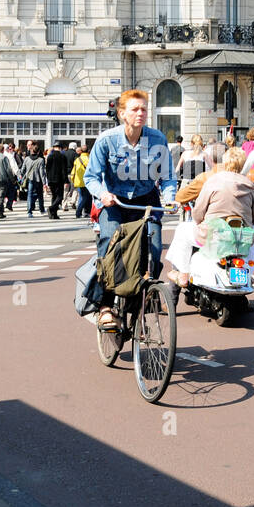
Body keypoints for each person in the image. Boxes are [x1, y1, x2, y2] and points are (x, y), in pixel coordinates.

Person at [84, 89, 175, 329]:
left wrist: (169, 198)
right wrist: (103, 194)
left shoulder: (157, 139)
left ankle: (143, 299)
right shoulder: (107, 140)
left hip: (147, 200)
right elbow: (90, 177)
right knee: (109, 244)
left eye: (144, 109)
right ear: (122, 113)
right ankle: (104, 306)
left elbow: (167, 176)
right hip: (115, 201)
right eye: (135, 109)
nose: (141, 113)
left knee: (153, 251)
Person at [166, 147, 254, 288]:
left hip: (214, 236)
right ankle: (248, 274)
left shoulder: (213, 181)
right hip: (241, 239)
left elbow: (198, 213)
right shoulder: (249, 186)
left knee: (182, 230)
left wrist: (199, 220)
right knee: (252, 236)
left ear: (225, 162)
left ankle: (184, 273)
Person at [46, 143, 69, 219]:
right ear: (60, 148)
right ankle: (52, 208)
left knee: (54, 196)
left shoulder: (50, 156)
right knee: (60, 196)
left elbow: (47, 169)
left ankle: (53, 214)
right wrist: (66, 181)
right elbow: (64, 170)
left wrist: (48, 179)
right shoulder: (62, 156)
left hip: (51, 179)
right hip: (59, 179)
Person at [22, 145, 45, 217]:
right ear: (38, 152)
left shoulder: (27, 159)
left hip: (29, 179)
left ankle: (29, 211)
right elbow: (42, 173)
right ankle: (41, 209)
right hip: (38, 180)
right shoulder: (41, 160)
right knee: (40, 195)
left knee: (29, 195)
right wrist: (44, 183)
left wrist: (22, 176)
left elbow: (23, 169)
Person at [70, 144, 91, 218]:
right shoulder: (90, 159)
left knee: (81, 197)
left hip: (79, 181)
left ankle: (81, 212)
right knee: (87, 197)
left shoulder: (77, 160)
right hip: (89, 181)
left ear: (81, 151)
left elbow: (73, 172)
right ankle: (82, 212)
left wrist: (73, 181)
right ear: (88, 150)